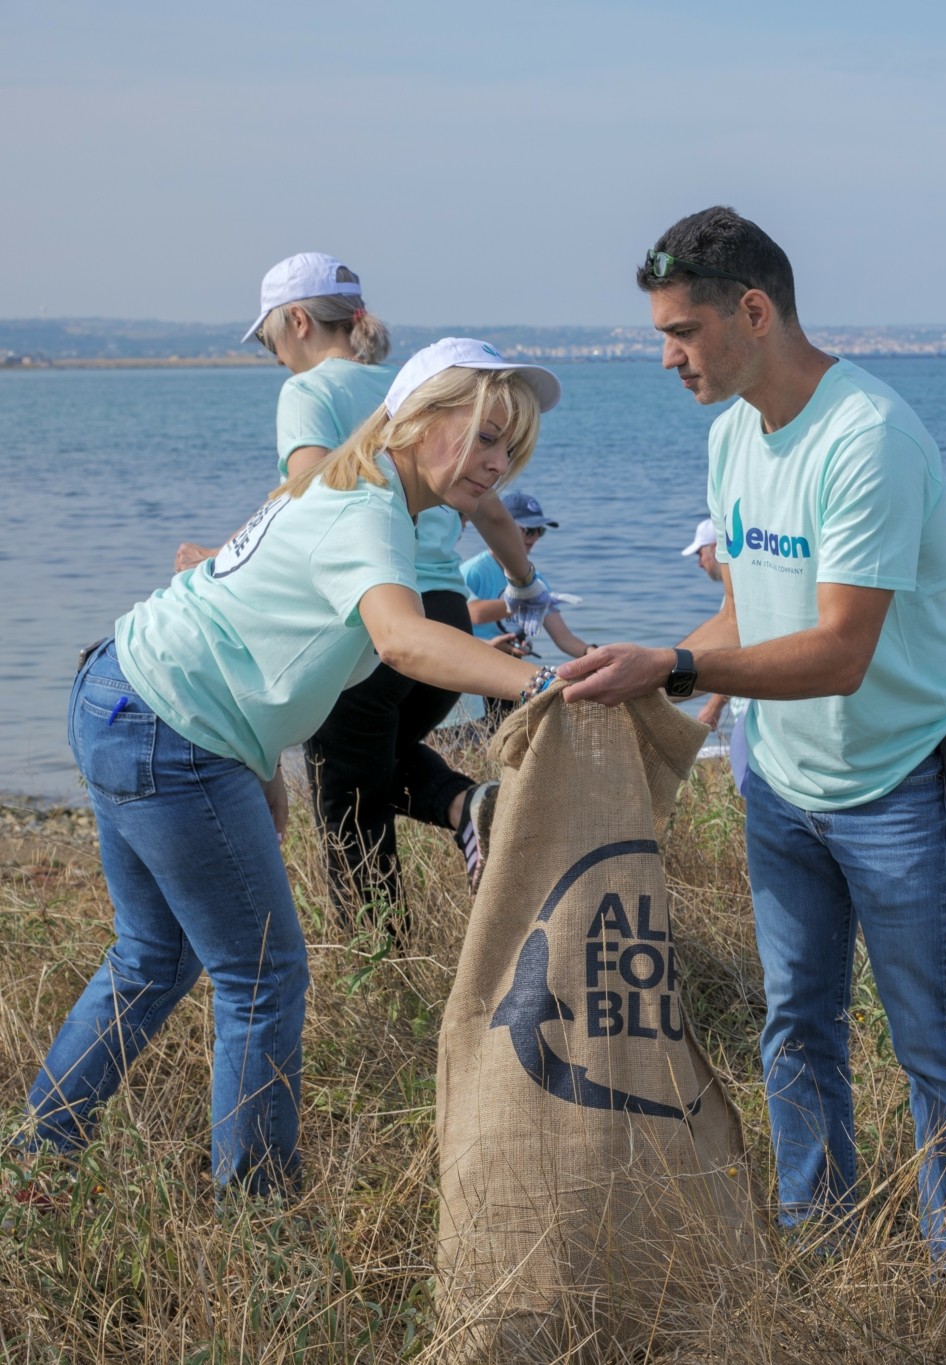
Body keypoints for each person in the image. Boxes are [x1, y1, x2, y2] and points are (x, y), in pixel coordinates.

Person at [557, 207, 946, 1294]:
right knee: (794, 1024)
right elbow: (747, 620)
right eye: (661, 334)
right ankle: (820, 1243)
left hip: (896, 783)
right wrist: (636, 669)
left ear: (753, 313)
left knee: (930, 1044)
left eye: (683, 331)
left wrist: (675, 668)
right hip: (782, 788)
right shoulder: (729, 438)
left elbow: (840, 650)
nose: (667, 357)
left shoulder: (868, 437)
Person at [28, 341, 562, 1196]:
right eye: (487, 437)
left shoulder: (342, 487)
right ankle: (260, 1215)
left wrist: (261, 764)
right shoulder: (367, 511)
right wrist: (546, 681)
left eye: (512, 451)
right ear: (419, 419)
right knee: (263, 975)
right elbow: (401, 638)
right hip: (170, 726)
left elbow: (253, 626)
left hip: (122, 693)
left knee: (152, 960)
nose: (497, 465)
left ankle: (38, 1154)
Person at [175, 253, 556, 916]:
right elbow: (488, 508)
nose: (276, 358)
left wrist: (228, 557)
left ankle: (378, 957)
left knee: (349, 804)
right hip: (446, 614)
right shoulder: (394, 385)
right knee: (375, 767)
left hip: (370, 616)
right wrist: (527, 586)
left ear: (296, 321)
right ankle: (470, 805)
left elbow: (315, 492)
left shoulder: (313, 394)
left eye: (269, 341)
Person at [463, 491, 590, 730]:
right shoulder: (475, 570)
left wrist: (592, 653)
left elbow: (563, 638)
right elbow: (472, 613)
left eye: (540, 531)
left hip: (512, 670)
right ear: (503, 527)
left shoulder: (535, 579)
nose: (534, 538)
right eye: (528, 530)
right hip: (474, 667)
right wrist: (525, 601)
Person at [681, 516, 748, 794]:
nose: (699, 563)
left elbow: (736, 650)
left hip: (752, 709)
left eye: (700, 553)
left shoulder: (740, 591)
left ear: (715, 548)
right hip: (751, 706)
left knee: (749, 790)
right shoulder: (736, 589)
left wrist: (712, 706)